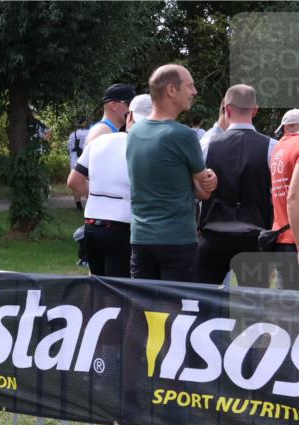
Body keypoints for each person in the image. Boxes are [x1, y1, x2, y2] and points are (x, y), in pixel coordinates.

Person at [126, 64, 217, 281]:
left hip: (141, 238)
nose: (194, 91)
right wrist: (209, 178)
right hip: (177, 240)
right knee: (175, 302)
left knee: (142, 301)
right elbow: (203, 192)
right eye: (190, 86)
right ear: (171, 90)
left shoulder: (134, 132)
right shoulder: (183, 135)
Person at [196, 84, 276, 286]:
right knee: (254, 300)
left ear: (227, 109)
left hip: (213, 235)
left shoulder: (207, 145)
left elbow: (195, 190)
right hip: (254, 236)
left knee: (203, 298)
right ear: (255, 110)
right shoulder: (272, 148)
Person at [66, 95, 152, 278]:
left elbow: (74, 180)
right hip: (123, 225)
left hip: (92, 223)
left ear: (130, 116)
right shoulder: (147, 147)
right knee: (117, 288)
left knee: (97, 284)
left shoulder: (100, 141)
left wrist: (98, 194)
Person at [268, 108, 299, 287]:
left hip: (279, 237)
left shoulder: (278, 148)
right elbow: (293, 198)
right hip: (295, 239)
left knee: (286, 300)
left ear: (286, 127)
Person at [66, 116, 90, 210]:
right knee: (89, 182)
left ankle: (78, 205)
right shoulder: (90, 133)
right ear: (84, 123)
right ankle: (89, 204)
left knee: (76, 183)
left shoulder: (72, 135)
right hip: (86, 161)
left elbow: (69, 149)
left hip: (74, 161)